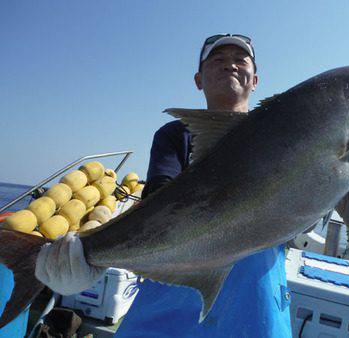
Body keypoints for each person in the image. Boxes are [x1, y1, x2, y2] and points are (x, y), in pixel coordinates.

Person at [36, 34, 292, 338]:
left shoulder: (278, 136)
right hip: (169, 302)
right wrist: (90, 256)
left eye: (240, 60)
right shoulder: (176, 135)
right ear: (199, 79)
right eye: (218, 60)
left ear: (256, 80)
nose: (231, 66)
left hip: (252, 306)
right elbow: (159, 199)